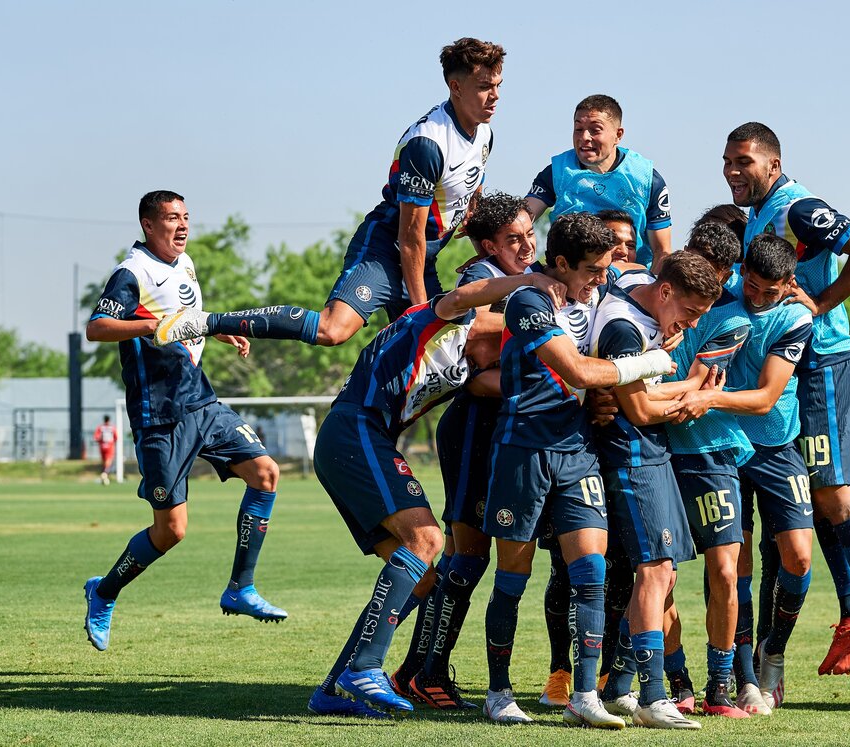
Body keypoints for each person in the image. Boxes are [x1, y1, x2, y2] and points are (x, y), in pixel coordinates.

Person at [308, 265, 570, 719]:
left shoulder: (469, 367)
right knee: (427, 539)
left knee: (423, 577)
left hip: (359, 440)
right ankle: (365, 668)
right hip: (354, 429)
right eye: (502, 351)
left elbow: (521, 385)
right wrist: (529, 282)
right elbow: (468, 298)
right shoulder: (450, 320)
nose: (498, 361)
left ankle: (333, 688)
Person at [154, 38, 506, 348]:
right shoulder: (428, 144)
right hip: (386, 249)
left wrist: (483, 250)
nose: (495, 96)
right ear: (455, 87)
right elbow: (410, 236)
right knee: (333, 330)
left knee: (440, 352)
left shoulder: (485, 134)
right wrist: (418, 310)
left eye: (498, 85)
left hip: (421, 258)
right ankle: (208, 321)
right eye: (484, 87)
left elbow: (470, 196)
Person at [479, 213, 674, 728]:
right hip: (523, 450)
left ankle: (584, 696)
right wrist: (649, 363)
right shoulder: (528, 302)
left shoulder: (597, 297)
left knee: (591, 573)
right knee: (512, 578)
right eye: (592, 270)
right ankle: (498, 693)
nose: (601, 279)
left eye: (606, 269)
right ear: (561, 263)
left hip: (578, 450)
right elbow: (578, 370)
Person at [722, 122, 850, 675]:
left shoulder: (797, 208)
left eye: (744, 161)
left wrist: (821, 304)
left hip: (824, 362)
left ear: (773, 165)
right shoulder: (759, 214)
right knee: (817, 496)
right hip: (800, 369)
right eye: (727, 161)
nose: (732, 171)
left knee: (833, 489)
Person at [82, 191, 286, 654]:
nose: (182, 226)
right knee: (170, 531)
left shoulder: (185, 263)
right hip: (159, 415)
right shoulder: (132, 273)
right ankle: (104, 592)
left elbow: (185, 316)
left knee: (266, 473)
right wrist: (150, 326)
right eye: (172, 218)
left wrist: (216, 329)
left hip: (200, 400)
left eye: (186, 217)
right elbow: (97, 327)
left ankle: (241, 587)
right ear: (148, 225)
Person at [388, 193, 540, 709]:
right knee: (468, 556)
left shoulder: (528, 275)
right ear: (488, 246)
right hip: (473, 425)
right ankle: (425, 672)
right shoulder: (479, 275)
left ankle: (414, 669)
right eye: (513, 239)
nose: (526, 245)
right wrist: (542, 323)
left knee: (463, 556)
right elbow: (470, 333)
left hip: (502, 428)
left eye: (529, 234)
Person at [666, 234, 816, 711]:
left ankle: (774, 651)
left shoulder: (795, 317)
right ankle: (743, 675)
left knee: (798, 558)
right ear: (741, 272)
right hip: (723, 446)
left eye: (770, 291)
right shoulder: (720, 299)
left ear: (789, 284)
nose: (757, 297)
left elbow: (767, 398)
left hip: (773, 443)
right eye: (751, 285)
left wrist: (707, 398)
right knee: (735, 565)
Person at [588, 252, 722, 730]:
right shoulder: (624, 328)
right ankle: (652, 696)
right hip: (633, 456)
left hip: (652, 452)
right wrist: (695, 398)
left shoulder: (643, 295)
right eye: (690, 312)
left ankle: (619, 688)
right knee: (654, 569)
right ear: (665, 292)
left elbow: (643, 392)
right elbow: (640, 410)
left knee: (664, 574)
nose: (691, 324)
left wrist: (690, 386)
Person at [525, 95, 673, 273]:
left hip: (628, 280)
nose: (584, 137)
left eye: (595, 130)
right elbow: (521, 220)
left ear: (618, 135)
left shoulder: (647, 179)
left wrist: (648, 287)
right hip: (568, 278)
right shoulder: (556, 173)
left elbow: (662, 252)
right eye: (578, 129)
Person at [93, 415, 117, 485]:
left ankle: (104, 476)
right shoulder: (112, 428)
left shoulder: (100, 428)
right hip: (110, 446)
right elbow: (116, 437)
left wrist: (100, 440)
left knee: (104, 462)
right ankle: (104, 474)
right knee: (108, 461)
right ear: (109, 420)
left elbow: (96, 437)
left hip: (102, 446)